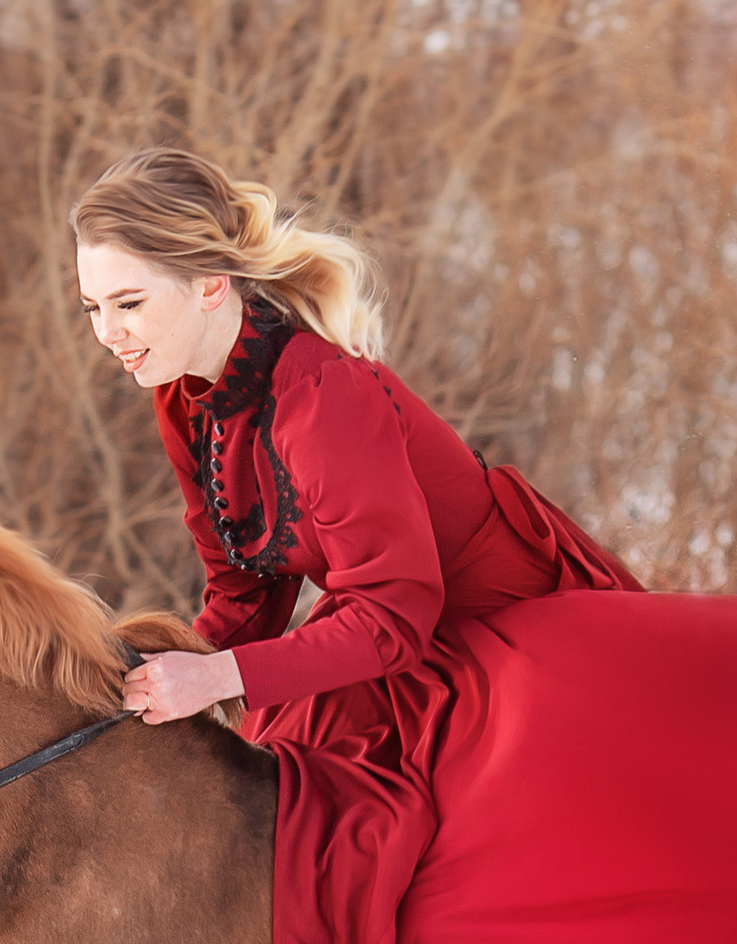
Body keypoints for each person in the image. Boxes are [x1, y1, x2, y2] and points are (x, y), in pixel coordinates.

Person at [72, 148, 638, 759]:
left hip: (503, 633)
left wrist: (214, 678)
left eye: (128, 303)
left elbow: (395, 614)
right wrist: (148, 676)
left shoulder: (323, 395)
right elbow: (246, 591)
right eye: (93, 308)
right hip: (381, 638)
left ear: (211, 284)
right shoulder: (183, 398)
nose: (107, 333)